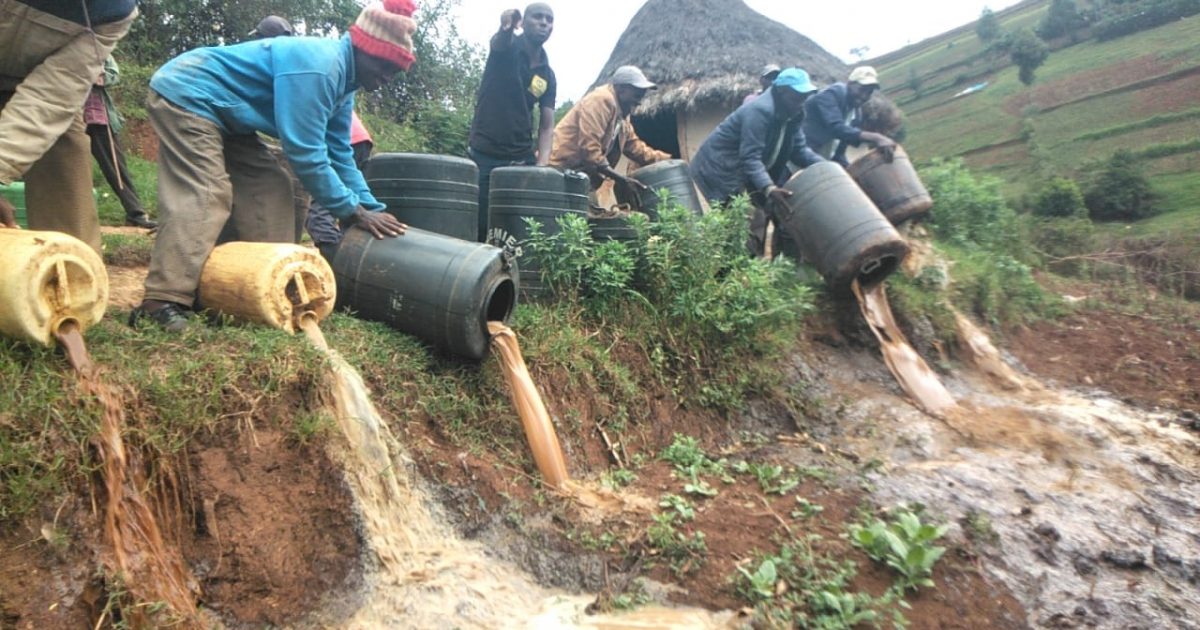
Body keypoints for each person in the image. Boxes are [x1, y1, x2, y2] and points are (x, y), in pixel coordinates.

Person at [130, 0, 414, 332]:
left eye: (394, 72)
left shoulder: (345, 82)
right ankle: (162, 301)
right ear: (365, 49)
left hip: (228, 116)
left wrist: (370, 208)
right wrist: (352, 211)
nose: (386, 78)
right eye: (383, 66)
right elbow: (305, 154)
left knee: (271, 187)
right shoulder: (321, 67)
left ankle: (240, 286)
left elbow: (339, 153)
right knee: (207, 192)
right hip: (189, 94)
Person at [0, 0, 139, 246]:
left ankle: (71, 272)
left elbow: (49, 99)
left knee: (66, 172)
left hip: (38, 80)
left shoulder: (115, 11)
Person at [690, 67, 824, 257]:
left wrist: (828, 166)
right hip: (722, 171)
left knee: (761, 220)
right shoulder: (759, 111)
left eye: (805, 96)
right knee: (741, 221)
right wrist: (769, 187)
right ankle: (734, 273)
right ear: (781, 92)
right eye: (796, 97)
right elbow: (750, 157)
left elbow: (800, 150)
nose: (801, 102)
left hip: (748, 172)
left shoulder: (794, 115)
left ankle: (755, 269)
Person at [468, 3, 557, 242]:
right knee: (480, 223)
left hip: (521, 157)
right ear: (524, 21)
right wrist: (506, 25)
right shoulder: (506, 49)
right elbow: (499, 42)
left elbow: (547, 126)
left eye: (549, 20)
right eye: (538, 17)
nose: (544, 23)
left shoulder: (547, 75)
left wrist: (542, 166)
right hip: (485, 153)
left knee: (514, 227)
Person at [548, 65, 670, 209]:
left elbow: (636, 148)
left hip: (580, 178)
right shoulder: (600, 100)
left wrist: (668, 160)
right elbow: (589, 150)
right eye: (636, 93)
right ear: (621, 88)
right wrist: (621, 180)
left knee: (586, 224)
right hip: (559, 172)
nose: (639, 100)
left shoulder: (623, 117)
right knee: (561, 223)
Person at [86, 56, 157, 229]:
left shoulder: (100, 49)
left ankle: (135, 214)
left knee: (116, 168)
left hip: (98, 117)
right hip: (65, 118)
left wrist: (97, 76)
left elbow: (113, 74)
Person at [306, 114, 376, 262]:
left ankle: (336, 264)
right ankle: (354, 261)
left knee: (321, 209)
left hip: (342, 139)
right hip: (360, 140)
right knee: (350, 208)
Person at [802, 66, 896, 167]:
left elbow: (838, 152)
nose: (864, 96)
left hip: (818, 163)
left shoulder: (856, 114)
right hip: (800, 157)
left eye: (869, 92)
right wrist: (876, 138)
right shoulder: (831, 94)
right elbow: (836, 128)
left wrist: (850, 170)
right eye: (861, 89)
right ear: (850, 84)